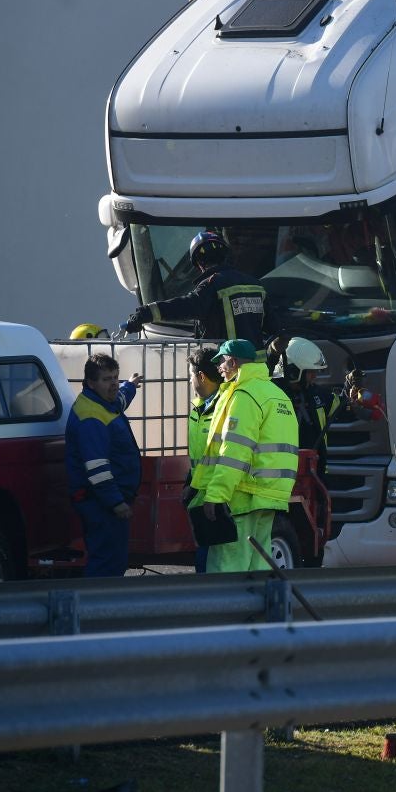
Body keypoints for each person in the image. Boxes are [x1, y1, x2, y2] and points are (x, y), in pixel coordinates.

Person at [190, 338, 300, 573]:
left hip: (242, 495)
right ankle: (255, 610)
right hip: (269, 494)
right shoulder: (275, 393)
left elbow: (234, 452)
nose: (219, 367)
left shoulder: (243, 395)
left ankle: (225, 611)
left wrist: (217, 495)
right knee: (258, 564)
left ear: (233, 362)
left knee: (227, 566)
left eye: (221, 361)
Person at [65, 353, 143, 578]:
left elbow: (119, 399)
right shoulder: (91, 416)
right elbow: (97, 468)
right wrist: (116, 502)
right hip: (101, 503)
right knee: (107, 563)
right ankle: (98, 609)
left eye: (116, 378)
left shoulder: (102, 402)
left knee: (111, 559)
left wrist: (131, 385)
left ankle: (103, 608)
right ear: (91, 382)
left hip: (103, 499)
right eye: (107, 379)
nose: (114, 384)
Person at [123, 230, 269, 344]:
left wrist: (144, 314)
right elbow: (273, 328)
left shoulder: (211, 285)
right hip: (259, 368)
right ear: (225, 257)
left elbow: (185, 306)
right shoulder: (255, 284)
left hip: (230, 367)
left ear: (198, 264)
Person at [268, 337, 383, 478]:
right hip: (279, 477)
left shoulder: (317, 394)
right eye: (311, 372)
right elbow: (266, 371)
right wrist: (273, 353)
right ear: (294, 371)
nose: (315, 376)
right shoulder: (271, 395)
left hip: (314, 476)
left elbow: (341, 405)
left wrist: (350, 384)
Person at [185, 345, 223, 573]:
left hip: (220, 499)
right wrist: (189, 483)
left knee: (212, 564)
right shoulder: (198, 407)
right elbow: (200, 458)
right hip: (201, 497)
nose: (190, 381)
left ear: (201, 376)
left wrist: (216, 494)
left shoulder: (226, 406)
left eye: (190, 375)